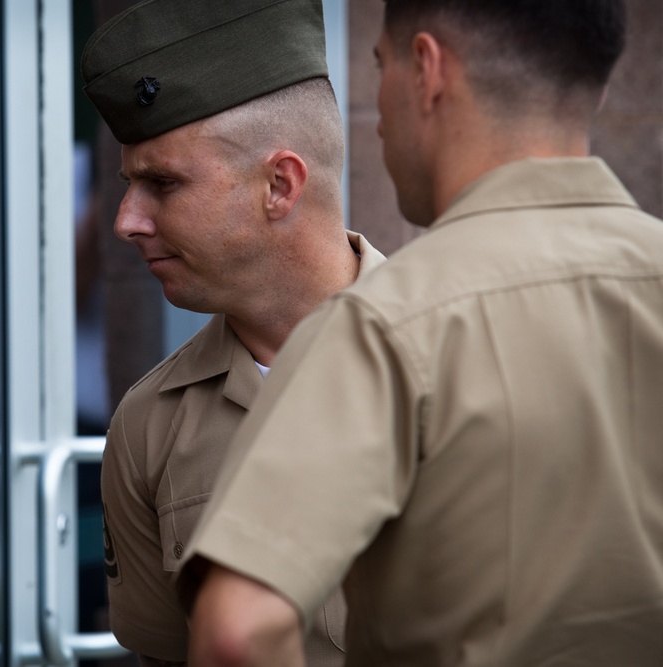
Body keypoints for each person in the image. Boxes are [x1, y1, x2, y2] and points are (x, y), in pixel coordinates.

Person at [179, 1, 663, 665]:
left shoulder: (381, 324)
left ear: (426, 70)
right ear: (598, 87)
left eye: (379, 64)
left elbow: (238, 630)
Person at [80, 1, 386, 665]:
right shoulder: (151, 425)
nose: (127, 220)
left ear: (281, 184)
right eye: (128, 184)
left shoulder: (462, 360)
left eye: (162, 182)